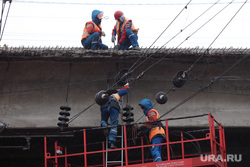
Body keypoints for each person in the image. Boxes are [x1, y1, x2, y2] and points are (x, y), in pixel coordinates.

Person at [100, 83, 130, 149]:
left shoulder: (103, 97)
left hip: (104, 107)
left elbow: (100, 106)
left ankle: (104, 125)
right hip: (114, 107)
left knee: (103, 120)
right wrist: (126, 84)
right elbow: (127, 90)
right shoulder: (117, 94)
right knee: (113, 125)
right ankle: (112, 143)